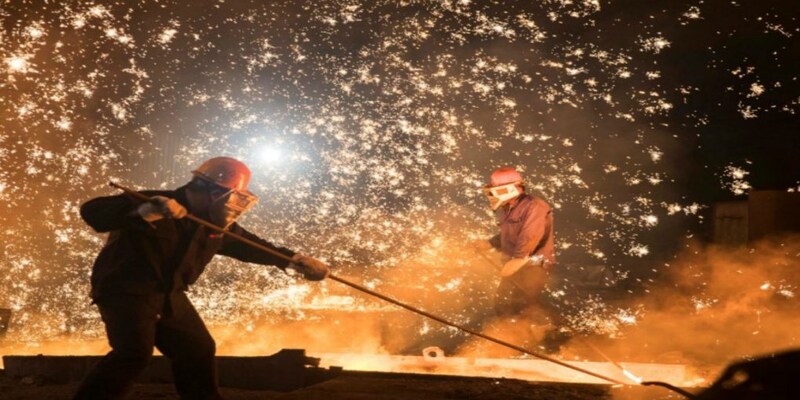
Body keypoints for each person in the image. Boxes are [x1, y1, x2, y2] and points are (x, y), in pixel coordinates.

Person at [73, 156, 328, 400]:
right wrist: (147, 211)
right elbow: (93, 212)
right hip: (126, 290)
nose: (233, 206)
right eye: (231, 196)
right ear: (210, 190)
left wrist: (294, 260)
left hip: (170, 294)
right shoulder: (155, 201)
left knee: (197, 349)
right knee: (133, 354)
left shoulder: (212, 223)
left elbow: (249, 245)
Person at [475, 166, 555, 320]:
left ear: (510, 188)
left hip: (533, 265)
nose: (493, 194)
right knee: (503, 302)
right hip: (516, 264)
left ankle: (536, 331)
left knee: (521, 305)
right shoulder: (510, 208)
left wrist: (518, 258)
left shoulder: (534, 205)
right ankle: (511, 330)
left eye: (496, 189)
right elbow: (510, 233)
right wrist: (490, 243)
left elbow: (530, 234)